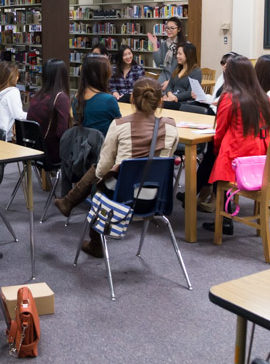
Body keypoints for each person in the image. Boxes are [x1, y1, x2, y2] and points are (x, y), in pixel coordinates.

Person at [54, 79, 179, 258]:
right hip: (156, 198)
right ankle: (68, 202)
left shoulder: (119, 125)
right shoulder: (171, 126)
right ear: (160, 101)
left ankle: (94, 240)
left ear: (132, 100)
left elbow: (102, 169)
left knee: (100, 176)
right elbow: (167, 160)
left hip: (121, 199)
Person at [204, 55, 270, 235]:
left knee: (217, 165)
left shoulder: (229, 97)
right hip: (261, 156)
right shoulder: (265, 98)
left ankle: (224, 219)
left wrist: (217, 150)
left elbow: (220, 130)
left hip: (236, 154)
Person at [26, 58, 71, 164]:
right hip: (51, 153)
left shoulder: (36, 96)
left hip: (33, 150)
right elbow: (62, 134)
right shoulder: (60, 98)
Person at [74, 54, 121, 136]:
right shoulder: (108, 100)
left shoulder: (76, 98)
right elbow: (119, 127)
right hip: (104, 146)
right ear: (103, 74)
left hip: (82, 146)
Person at [162, 42, 210, 107]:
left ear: (188, 55)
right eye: (177, 53)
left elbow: (191, 92)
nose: (177, 56)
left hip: (185, 103)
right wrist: (170, 95)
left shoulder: (196, 72)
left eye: (180, 54)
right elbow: (169, 86)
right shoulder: (177, 69)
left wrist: (175, 97)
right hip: (172, 100)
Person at [0, 62, 26, 142]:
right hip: (8, 138)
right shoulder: (13, 92)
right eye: (16, 75)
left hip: (0, 136)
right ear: (12, 77)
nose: (17, 78)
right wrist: (33, 114)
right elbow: (19, 116)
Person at [147, 16, 185, 83]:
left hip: (178, 78)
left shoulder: (185, 45)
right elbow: (158, 62)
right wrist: (154, 43)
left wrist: (171, 82)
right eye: (167, 28)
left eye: (172, 28)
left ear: (179, 29)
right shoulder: (164, 44)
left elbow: (186, 68)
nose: (169, 30)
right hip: (164, 77)